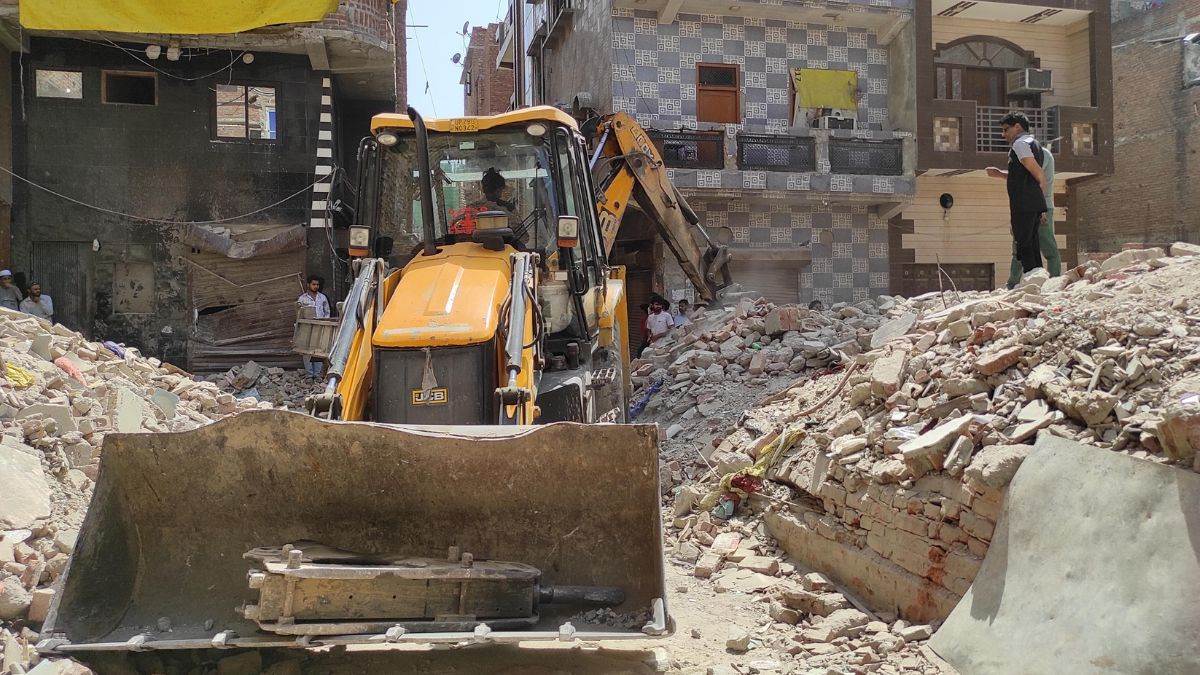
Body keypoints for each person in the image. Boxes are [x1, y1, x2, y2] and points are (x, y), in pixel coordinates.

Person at [986, 112, 1048, 277]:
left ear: (1018, 127)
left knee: (1024, 243)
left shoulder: (1020, 144)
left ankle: (1031, 279)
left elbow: (1039, 174)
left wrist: (1039, 204)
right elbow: (1026, 176)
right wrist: (1000, 174)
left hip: (1024, 204)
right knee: (1032, 243)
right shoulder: (1032, 143)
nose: (1003, 134)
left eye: (1006, 129)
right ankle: (1038, 279)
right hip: (1031, 203)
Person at [1001, 140, 1060, 288]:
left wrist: (1042, 210)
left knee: (1049, 249)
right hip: (1027, 207)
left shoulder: (1043, 155)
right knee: (1021, 246)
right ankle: (1013, 284)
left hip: (1040, 207)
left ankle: (1055, 283)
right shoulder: (1032, 156)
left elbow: (1035, 180)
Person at [297, 275, 330, 378]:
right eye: (314, 284)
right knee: (307, 351)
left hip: (320, 327)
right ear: (308, 285)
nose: (316, 286)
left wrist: (325, 324)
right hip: (307, 328)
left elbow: (327, 312)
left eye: (317, 285)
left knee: (318, 351)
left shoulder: (322, 297)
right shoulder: (302, 299)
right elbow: (299, 314)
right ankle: (309, 374)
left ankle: (317, 374)